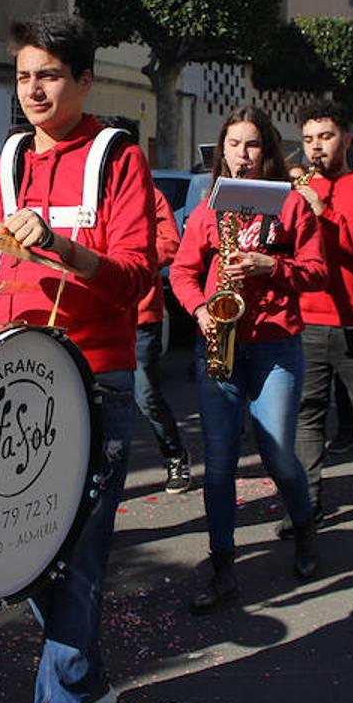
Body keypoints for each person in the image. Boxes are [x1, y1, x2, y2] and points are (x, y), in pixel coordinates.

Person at [0, 13, 154, 703]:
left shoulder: (118, 157)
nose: (33, 89)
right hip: (15, 378)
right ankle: (90, 687)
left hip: (92, 377)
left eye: (48, 75)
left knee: (73, 549)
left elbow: (136, 279)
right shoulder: (7, 163)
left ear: (84, 79)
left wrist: (65, 249)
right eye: (23, 76)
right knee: (30, 550)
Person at [171, 105, 328, 612]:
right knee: (218, 464)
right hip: (219, 340)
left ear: (269, 151)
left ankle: (304, 527)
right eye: (234, 145)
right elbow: (181, 273)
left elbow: (318, 272)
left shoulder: (293, 207)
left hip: (275, 345)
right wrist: (199, 312)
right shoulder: (209, 208)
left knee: (278, 452)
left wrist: (271, 266)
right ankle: (222, 569)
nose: (243, 155)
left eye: (253, 145)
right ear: (223, 151)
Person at [288, 100, 353, 528]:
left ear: (346, 140)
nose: (317, 147)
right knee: (308, 412)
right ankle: (309, 501)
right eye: (310, 139)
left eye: (326, 137)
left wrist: (323, 213)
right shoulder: (298, 188)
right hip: (308, 317)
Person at [136, 181, 191, 493]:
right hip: (97, 316)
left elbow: (171, 244)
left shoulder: (150, 195)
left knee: (146, 396)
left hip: (140, 314)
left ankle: (174, 453)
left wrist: (127, 258)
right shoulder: (85, 191)